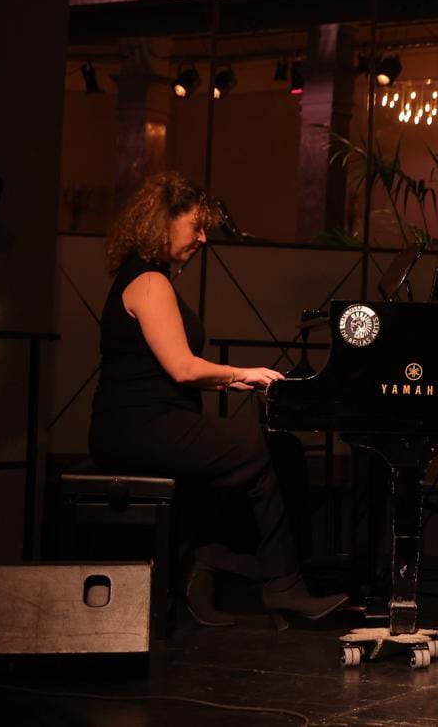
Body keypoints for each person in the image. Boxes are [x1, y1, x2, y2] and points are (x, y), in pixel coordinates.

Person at [88, 171, 345, 626]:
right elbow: (183, 368)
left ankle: (211, 566)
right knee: (253, 448)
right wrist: (240, 374)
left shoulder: (152, 279)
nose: (204, 238)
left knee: (278, 449)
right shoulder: (149, 283)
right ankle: (276, 584)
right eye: (196, 226)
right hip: (136, 429)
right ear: (162, 223)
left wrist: (236, 381)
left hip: (152, 423)